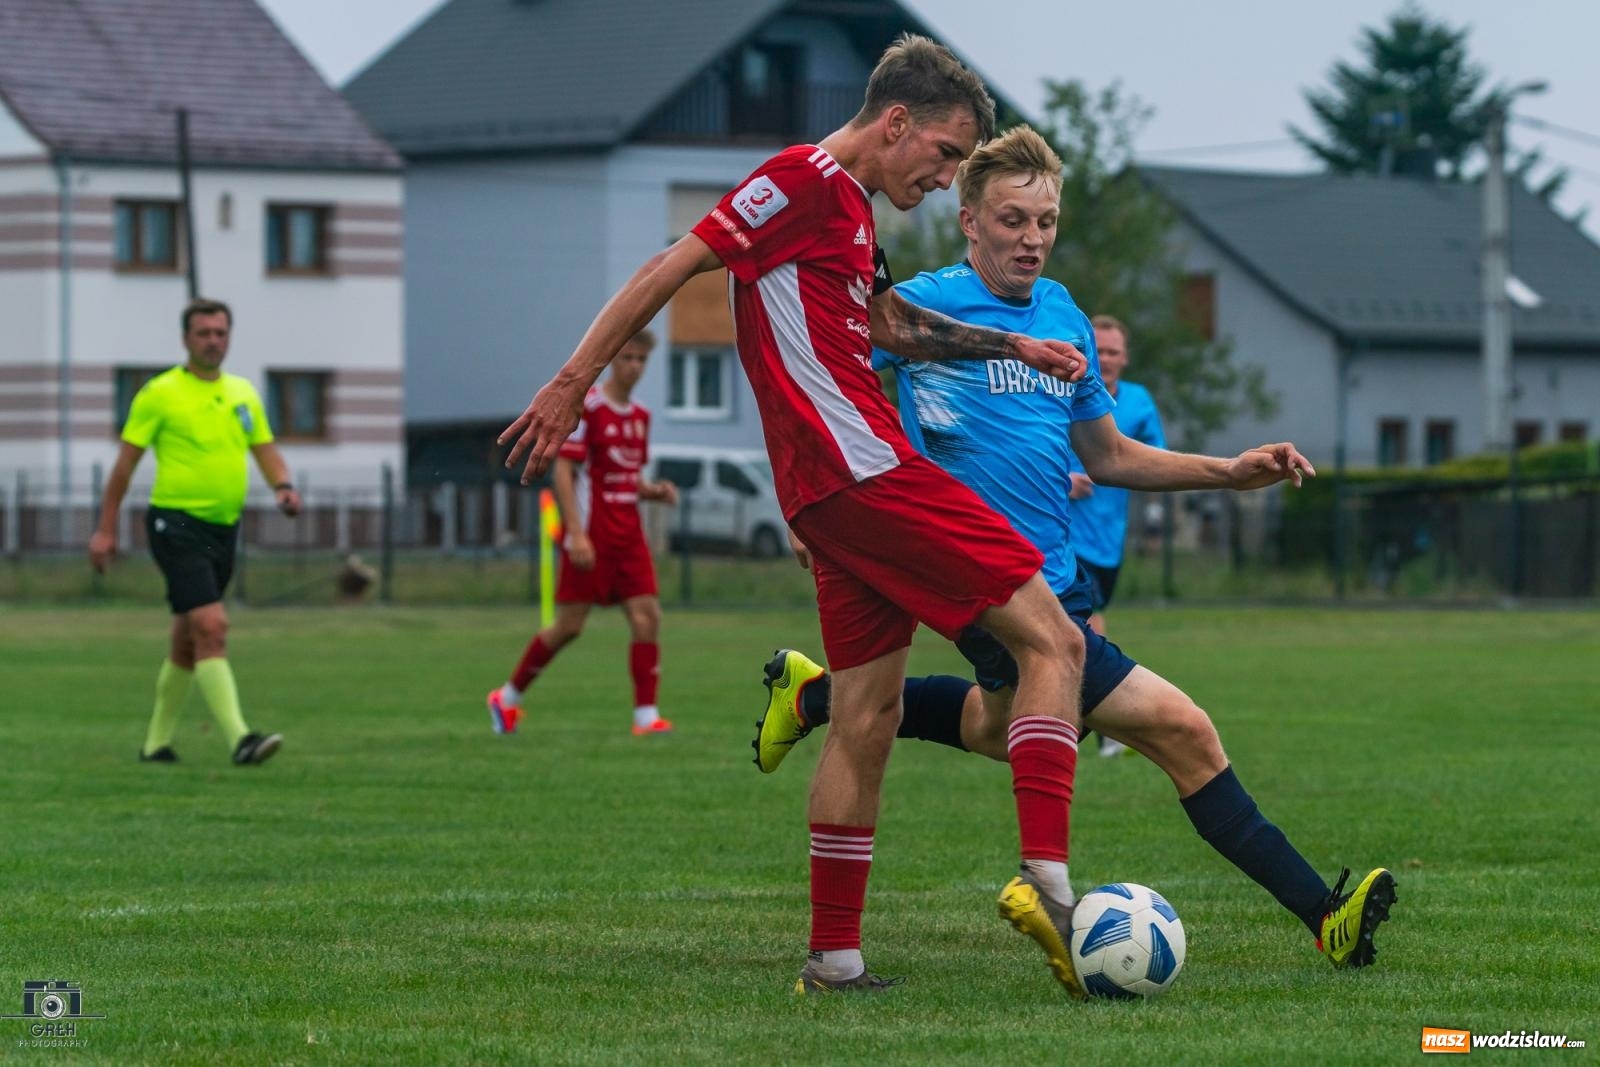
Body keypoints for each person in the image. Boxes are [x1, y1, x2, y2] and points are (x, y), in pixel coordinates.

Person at [501, 35, 1096, 997]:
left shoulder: (850, 216)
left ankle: (835, 959)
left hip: (829, 492)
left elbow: (889, 325)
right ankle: (1053, 890)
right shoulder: (803, 179)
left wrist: (1014, 345)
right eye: (944, 155)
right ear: (895, 122)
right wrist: (573, 382)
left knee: (867, 713)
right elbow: (672, 265)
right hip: (866, 472)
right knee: (1056, 643)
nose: (947, 177)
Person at [752, 125, 1396, 971]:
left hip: (1056, 582)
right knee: (1184, 730)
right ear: (968, 220)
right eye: (1013, 219)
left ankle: (816, 698)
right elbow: (814, 390)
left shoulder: (1063, 316)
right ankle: (1325, 914)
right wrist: (809, 513)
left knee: (993, 724)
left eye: (1046, 221)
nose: (1031, 238)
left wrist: (1228, 471)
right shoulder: (914, 310)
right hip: (981, 577)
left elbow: (1109, 454)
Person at [88, 298, 297, 767]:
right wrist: (105, 530)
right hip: (175, 524)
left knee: (188, 639)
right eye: (203, 332)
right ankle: (241, 740)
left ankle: (155, 745)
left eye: (220, 333)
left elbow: (265, 450)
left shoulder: (243, 393)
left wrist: (283, 486)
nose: (212, 340)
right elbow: (124, 467)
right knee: (213, 625)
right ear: (186, 339)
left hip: (224, 529)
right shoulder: (159, 393)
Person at [487, 330, 680, 736]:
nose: (634, 366)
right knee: (569, 626)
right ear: (613, 359)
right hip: (592, 535)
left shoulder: (641, 417)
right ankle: (507, 698)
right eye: (627, 357)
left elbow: (625, 478)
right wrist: (575, 533)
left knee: (648, 618)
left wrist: (654, 492)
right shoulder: (589, 408)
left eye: (641, 360)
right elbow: (563, 469)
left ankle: (646, 716)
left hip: (629, 536)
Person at [1066, 315, 1166, 758]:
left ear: (1124, 357)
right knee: (1085, 623)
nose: (1104, 359)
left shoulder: (1139, 403)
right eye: (1098, 350)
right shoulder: (1061, 390)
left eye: (1112, 352)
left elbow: (1159, 461)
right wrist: (1063, 478)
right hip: (1063, 537)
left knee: (1081, 628)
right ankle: (1110, 719)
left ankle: (1082, 713)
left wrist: (1156, 522)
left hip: (1110, 538)